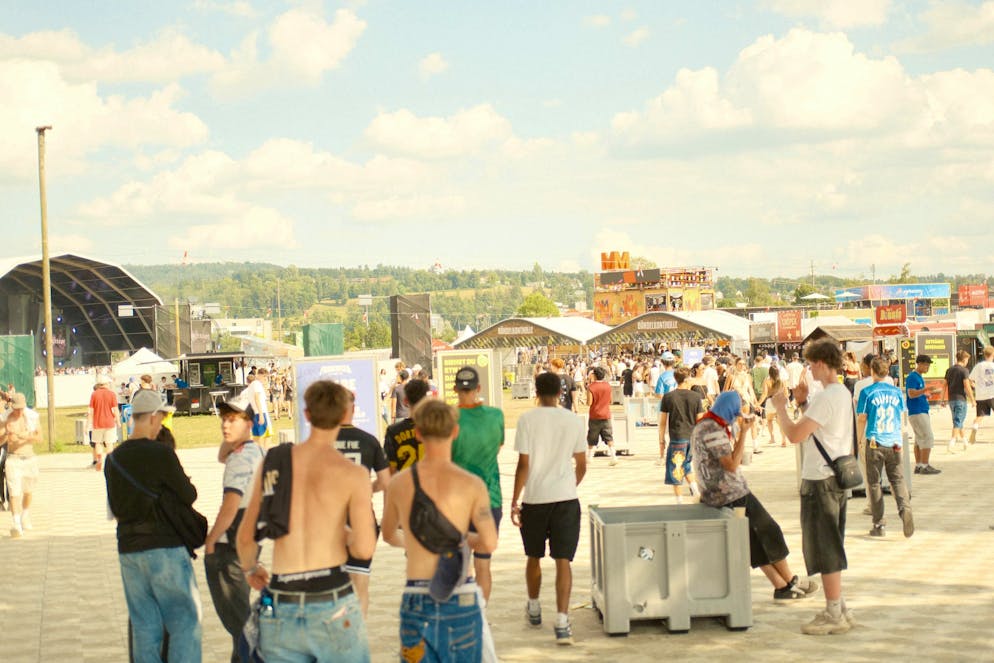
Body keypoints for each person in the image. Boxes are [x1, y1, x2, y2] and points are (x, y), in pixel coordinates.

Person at [237, 380, 375, 662]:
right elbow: (364, 550)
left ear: (307, 414)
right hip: (332, 599)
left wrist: (251, 568)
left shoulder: (274, 460)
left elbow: (245, 536)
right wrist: (344, 533)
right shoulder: (353, 474)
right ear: (345, 414)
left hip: (282, 599)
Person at [381, 399, 498, 662]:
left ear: (418, 433)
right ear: (455, 432)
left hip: (416, 596)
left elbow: (388, 534)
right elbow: (489, 543)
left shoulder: (399, 483)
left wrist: (415, 541)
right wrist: (461, 537)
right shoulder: (472, 484)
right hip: (460, 593)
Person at [104, 389, 202, 661]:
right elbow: (188, 495)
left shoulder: (113, 460)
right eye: (161, 417)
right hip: (165, 548)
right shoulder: (161, 454)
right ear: (153, 417)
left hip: (129, 550)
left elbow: (115, 507)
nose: (162, 423)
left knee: (144, 626)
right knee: (184, 622)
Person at [692, 392, 818, 601]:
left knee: (753, 539)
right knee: (769, 531)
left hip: (716, 495)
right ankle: (791, 580)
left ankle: (782, 586)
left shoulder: (705, 424)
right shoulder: (713, 429)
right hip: (731, 494)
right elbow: (732, 465)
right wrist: (743, 433)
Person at [772, 339, 855, 635]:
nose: (808, 369)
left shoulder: (828, 396)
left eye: (810, 364)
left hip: (821, 480)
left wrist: (781, 408)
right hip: (836, 477)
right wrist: (804, 402)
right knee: (832, 541)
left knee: (825, 546)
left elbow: (795, 434)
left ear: (820, 363)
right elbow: (821, 430)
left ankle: (834, 612)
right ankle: (839, 606)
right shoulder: (841, 393)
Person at [510, 372, 587, 645]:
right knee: (563, 560)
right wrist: (569, 485)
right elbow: (582, 463)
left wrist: (514, 500)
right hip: (566, 499)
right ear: (560, 392)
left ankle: (533, 606)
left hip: (535, 498)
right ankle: (563, 622)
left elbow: (523, 464)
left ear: (536, 391)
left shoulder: (527, 419)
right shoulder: (573, 420)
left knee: (533, 556)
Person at [205, 393, 264, 663]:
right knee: (240, 620)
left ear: (249, 423)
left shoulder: (240, 459)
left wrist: (211, 540)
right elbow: (221, 455)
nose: (225, 426)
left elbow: (230, 505)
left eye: (232, 420)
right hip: (249, 544)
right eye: (223, 421)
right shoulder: (254, 451)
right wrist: (232, 439)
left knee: (240, 625)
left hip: (229, 548)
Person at [451, 365, 504, 603]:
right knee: (484, 564)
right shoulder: (496, 416)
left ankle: (463, 615)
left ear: (455, 389)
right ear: (479, 388)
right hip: (490, 499)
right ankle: (480, 616)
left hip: (457, 502)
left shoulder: (449, 419)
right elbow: (498, 447)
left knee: (460, 566)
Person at [335, 390, 391, 616]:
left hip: (330, 520)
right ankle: (356, 633)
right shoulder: (369, 441)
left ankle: (336, 636)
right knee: (360, 584)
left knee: (334, 587)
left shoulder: (323, 441)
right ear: (353, 410)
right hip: (362, 519)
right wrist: (368, 489)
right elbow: (386, 481)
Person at [857, 357, 914, 539]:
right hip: (895, 441)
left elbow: (861, 418)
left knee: (874, 483)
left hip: (874, 441)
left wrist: (859, 440)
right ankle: (905, 510)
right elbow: (903, 416)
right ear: (888, 371)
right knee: (897, 480)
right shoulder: (897, 392)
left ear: (872, 371)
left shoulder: (867, 392)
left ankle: (879, 524)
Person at [659, 367, 704, 503]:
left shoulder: (668, 397)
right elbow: (700, 420)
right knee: (685, 465)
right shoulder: (696, 397)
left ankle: (679, 501)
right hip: (692, 437)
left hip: (677, 436)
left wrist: (661, 439)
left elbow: (662, 422)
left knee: (676, 468)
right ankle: (695, 491)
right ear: (687, 379)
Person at [3, 394, 41, 538]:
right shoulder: (6, 419)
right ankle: (16, 523)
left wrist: (26, 437)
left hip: (29, 458)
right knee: (14, 492)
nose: (18, 412)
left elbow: (39, 438)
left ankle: (25, 514)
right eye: (16, 409)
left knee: (28, 491)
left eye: (21, 409)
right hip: (13, 459)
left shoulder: (31, 418)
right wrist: (6, 434)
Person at [384, 378, 431, 474]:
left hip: (404, 485)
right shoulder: (436, 428)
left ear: (405, 401)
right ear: (426, 400)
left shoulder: (393, 431)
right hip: (431, 485)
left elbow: (390, 471)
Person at [907, 355, 941, 475]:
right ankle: (925, 465)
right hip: (917, 411)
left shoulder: (918, 377)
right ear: (919, 364)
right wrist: (925, 390)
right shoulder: (913, 377)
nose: (927, 367)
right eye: (926, 365)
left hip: (919, 409)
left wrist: (925, 394)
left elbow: (915, 393)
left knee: (919, 439)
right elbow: (911, 393)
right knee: (927, 437)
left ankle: (919, 465)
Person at [585, 366, 618, 466]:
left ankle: (590, 457)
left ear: (594, 375)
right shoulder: (608, 386)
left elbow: (589, 403)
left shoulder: (591, 387)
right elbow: (610, 400)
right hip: (606, 414)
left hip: (595, 415)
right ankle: (613, 456)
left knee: (592, 437)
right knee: (609, 436)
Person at [944, 350, 974, 453]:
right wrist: (973, 400)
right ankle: (952, 442)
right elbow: (967, 386)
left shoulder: (949, 370)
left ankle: (965, 441)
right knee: (958, 421)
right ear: (964, 359)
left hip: (951, 399)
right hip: (961, 399)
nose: (967, 362)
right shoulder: (964, 370)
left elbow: (945, 385)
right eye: (967, 360)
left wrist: (942, 399)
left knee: (958, 420)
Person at [89, 375, 120, 471]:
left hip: (97, 422)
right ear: (106, 384)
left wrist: (89, 423)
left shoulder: (94, 394)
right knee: (109, 443)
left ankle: (99, 459)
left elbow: (91, 410)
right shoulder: (111, 394)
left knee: (98, 443)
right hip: (109, 422)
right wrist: (118, 421)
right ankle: (110, 463)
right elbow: (115, 409)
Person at [757, 365, 789, 447]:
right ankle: (783, 440)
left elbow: (764, 394)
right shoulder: (782, 381)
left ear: (769, 372)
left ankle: (772, 438)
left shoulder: (766, 381)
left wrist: (758, 404)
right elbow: (786, 393)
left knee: (770, 420)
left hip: (770, 401)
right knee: (781, 422)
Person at [969, 345, 994, 444]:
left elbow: (970, 379)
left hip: (980, 395)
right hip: (992, 394)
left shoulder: (978, 366)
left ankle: (975, 428)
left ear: (984, 354)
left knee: (979, 416)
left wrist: (975, 386)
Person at [244, 368, 272, 447]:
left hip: (255, 413)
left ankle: (258, 456)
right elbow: (257, 398)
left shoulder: (253, 384)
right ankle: (263, 456)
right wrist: (261, 415)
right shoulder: (257, 384)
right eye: (265, 377)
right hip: (260, 413)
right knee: (265, 437)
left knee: (258, 438)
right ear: (261, 375)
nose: (265, 379)